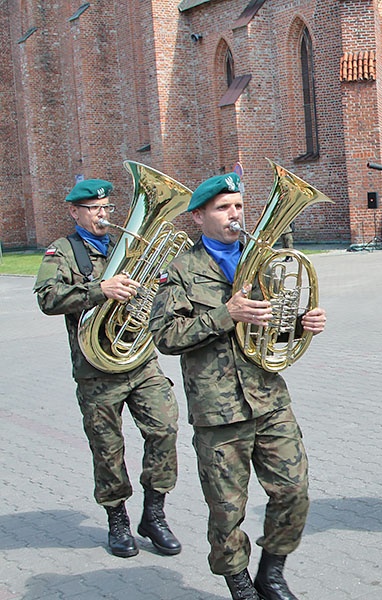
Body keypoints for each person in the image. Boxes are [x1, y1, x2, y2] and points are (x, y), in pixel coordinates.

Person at [149, 173, 327, 600]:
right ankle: (238, 582)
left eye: (239, 206)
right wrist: (224, 315)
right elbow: (165, 337)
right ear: (198, 216)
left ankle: (272, 570)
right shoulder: (179, 270)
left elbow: (275, 329)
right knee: (227, 510)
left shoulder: (263, 260)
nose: (235, 214)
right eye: (223, 207)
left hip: (268, 398)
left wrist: (302, 325)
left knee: (294, 491)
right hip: (217, 409)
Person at [34, 178, 181, 559]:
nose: (103, 214)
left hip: (140, 361)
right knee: (107, 447)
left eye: (106, 208)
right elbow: (48, 299)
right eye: (94, 209)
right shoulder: (62, 252)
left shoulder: (126, 248)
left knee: (164, 428)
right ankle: (117, 519)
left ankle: (154, 513)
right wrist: (101, 288)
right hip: (96, 368)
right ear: (74, 212)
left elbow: (157, 294)